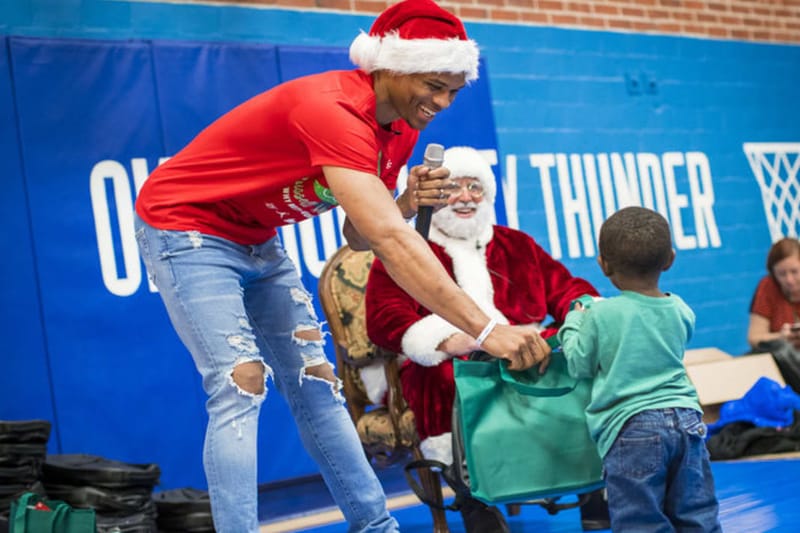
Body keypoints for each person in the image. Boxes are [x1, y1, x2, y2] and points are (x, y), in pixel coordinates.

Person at [133, 0, 549, 531]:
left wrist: (403, 203)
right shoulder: (334, 110)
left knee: (317, 382)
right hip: (185, 226)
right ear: (392, 67)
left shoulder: (400, 126)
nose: (443, 102)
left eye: (453, 90)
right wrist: (488, 330)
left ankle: (376, 526)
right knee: (240, 384)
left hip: (257, 236)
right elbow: (392, 244)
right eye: (434, 85)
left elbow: (359, 234)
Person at [364, 146, 600, 532]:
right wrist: (449, 339)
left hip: (523, 352)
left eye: (476, 187)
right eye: (454, 187)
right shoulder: (408, 248)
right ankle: (470, 494)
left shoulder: (516, 244)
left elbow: (566, 287)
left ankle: (593, 484)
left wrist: (580, 312)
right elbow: (383, 318)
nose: (466, 197)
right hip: (447, 363)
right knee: (443, 378)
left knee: (578, 358)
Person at [557, 206, 722, 531]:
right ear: (670, 258)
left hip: (631, 428)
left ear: (603, 265)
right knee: (696, 512)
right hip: (687, 419)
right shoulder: (681, 309)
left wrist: (573, 320)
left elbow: (578, 364)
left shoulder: (600, 316)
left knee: (640, 520)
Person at [747, 237, 800, 349]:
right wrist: (780, 337)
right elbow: (754, 337)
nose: (789, 280)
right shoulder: (768, 286)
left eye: (794, 272)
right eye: (782, 274)